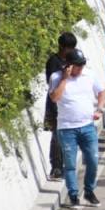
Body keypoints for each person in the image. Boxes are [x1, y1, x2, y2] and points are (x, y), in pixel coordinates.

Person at [48, 49, 105, 209]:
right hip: (66, 128)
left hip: (87, 126)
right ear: (68, 65)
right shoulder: (56, 77)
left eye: (82, 66)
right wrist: (65, 79)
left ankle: (89, 191)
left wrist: (99, 109)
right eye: (77, 66)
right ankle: (73, 195)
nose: (80, 70)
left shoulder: (89, 75)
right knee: (71, 164)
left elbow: (101, 92)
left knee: (93, 159)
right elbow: (55, 98)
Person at [45, 32, 78, 181]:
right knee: (57, 136)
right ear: (61, 47)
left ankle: (66, 165)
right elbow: (52, 83)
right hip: (55, 104)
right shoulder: (53, 61)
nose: (70, 51)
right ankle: (56, 167)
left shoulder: (74, 60)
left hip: (70, 103)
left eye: (72, 48)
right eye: (67, 48)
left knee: (69, 136)